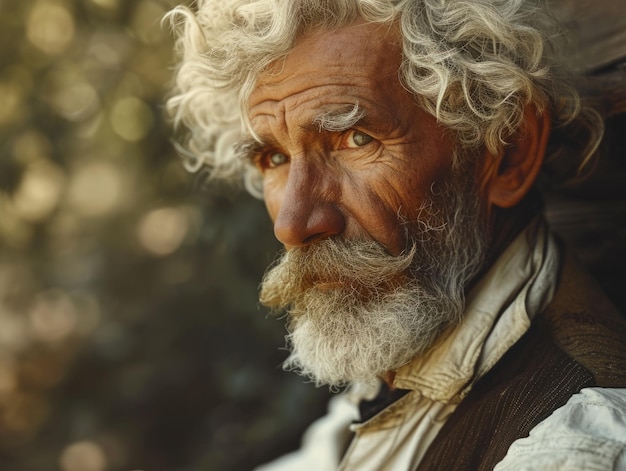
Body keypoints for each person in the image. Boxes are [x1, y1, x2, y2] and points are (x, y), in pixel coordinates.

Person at [165, 0, 626, 469]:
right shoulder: (412, 337)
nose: (293, 224)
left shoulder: (570, 448)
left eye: (355, 139)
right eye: (275, 158)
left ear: (508, 151)